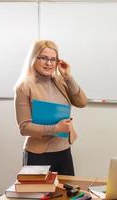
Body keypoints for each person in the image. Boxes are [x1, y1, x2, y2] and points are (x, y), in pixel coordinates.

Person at [14, 40, 87, 175]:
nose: (49, 63)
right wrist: (55, 129)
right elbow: (24, 128)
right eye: (43, 58)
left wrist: (68, 77)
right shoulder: (24, 87)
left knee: (66, 195)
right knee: (40, 195)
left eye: (53, 59)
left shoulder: (60, 81)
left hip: (64, 150)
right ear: (33, 58)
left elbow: (82, 102)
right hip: (38, 154)